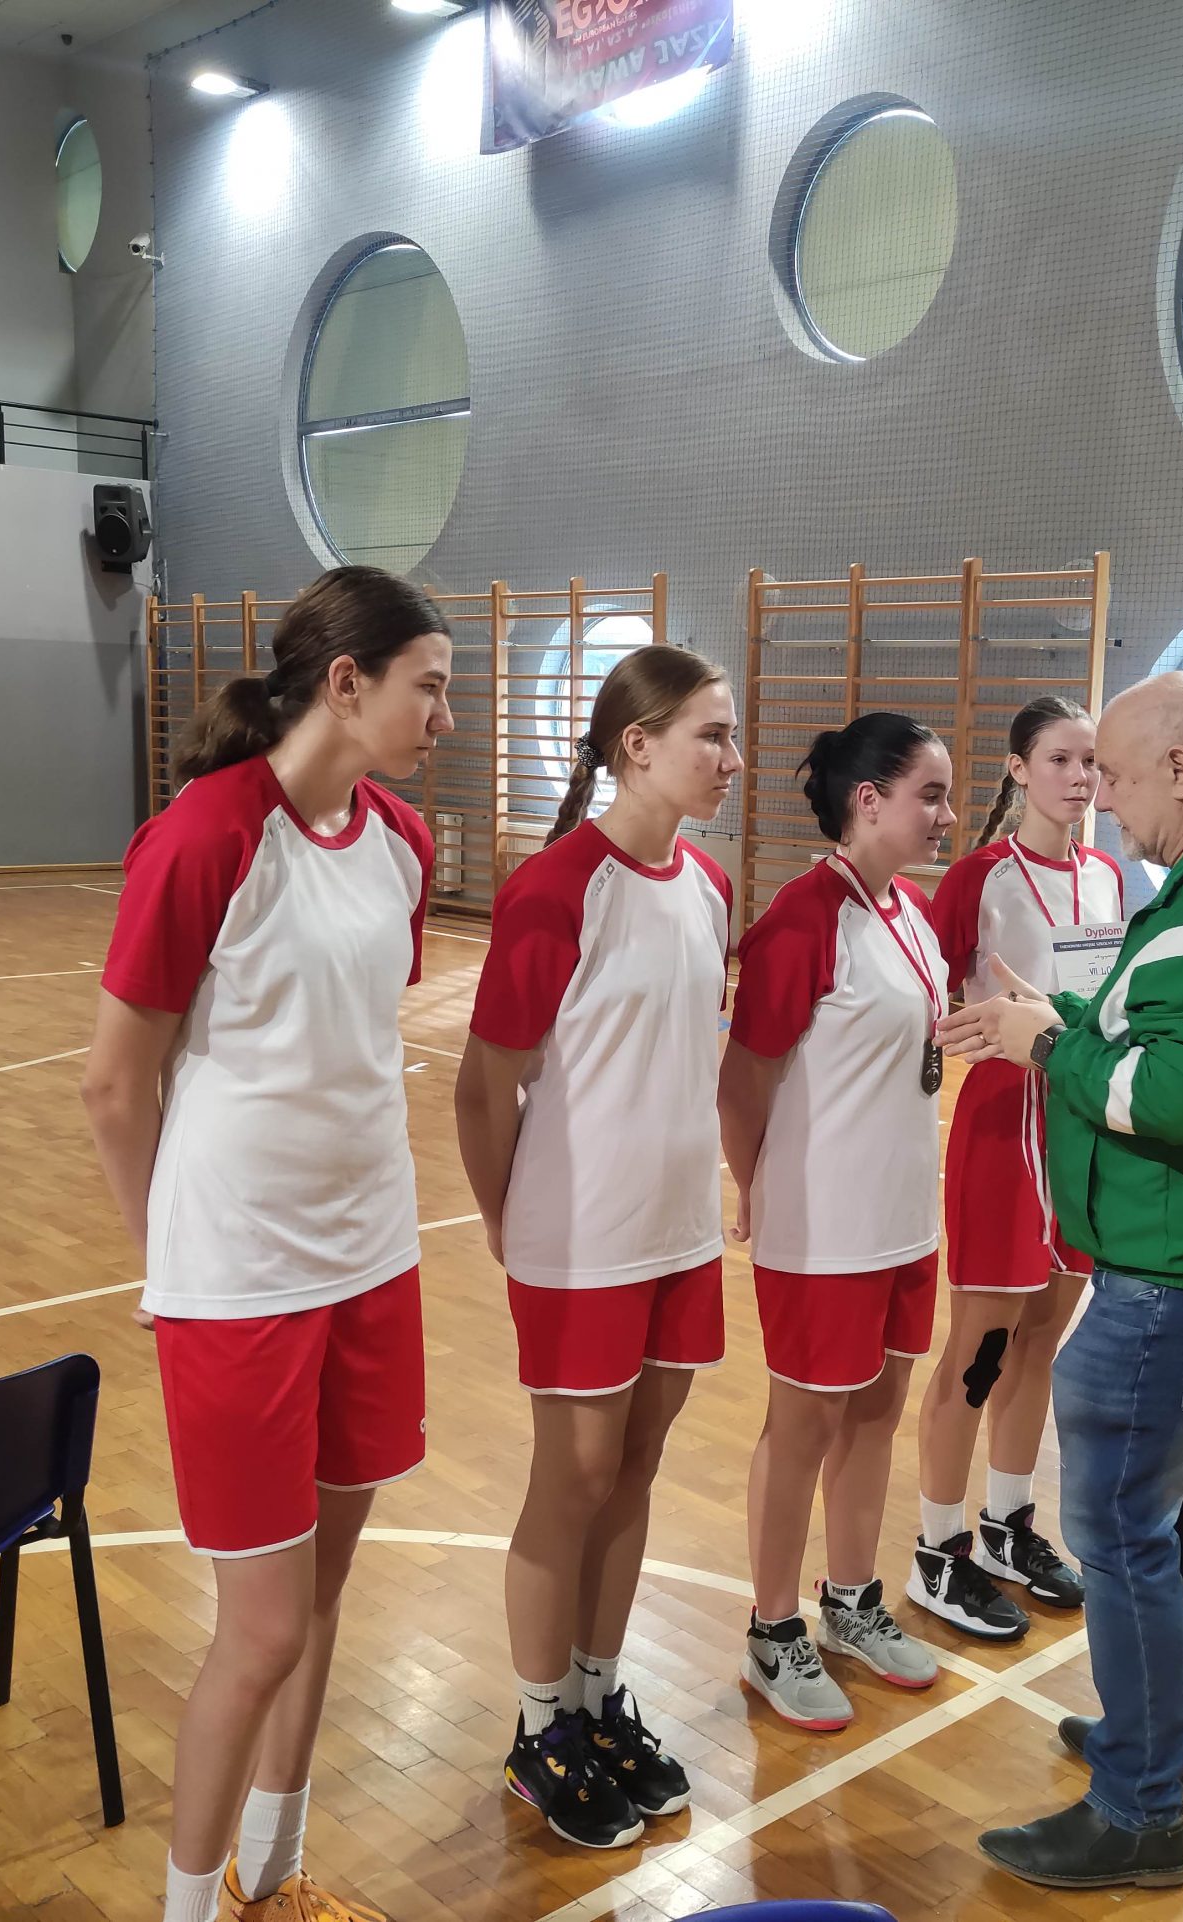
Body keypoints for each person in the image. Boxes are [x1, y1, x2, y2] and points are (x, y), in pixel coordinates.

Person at [80, 566, 454, 1922]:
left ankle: (275, 1874)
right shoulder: (205, 834)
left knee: (325, 1591)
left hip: (374, 1259)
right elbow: (114, 1084)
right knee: (262, 1630)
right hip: (239, 1279)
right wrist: (165, 1261)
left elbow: (346, 1041)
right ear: (345, 683)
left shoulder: (402, 839)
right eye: (429, 686)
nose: (445, 715)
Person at [942, 674, 1183, 1890]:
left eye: (1110, 772)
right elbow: (1161, 1026)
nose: (1101, 797)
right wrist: (1062, 1008)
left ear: (1178, 769)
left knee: (1119, 1527)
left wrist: (1051, 1043)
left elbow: (1167, 1096)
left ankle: (1138, 1806)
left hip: (1179, 1270)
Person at [455, 647, 740, 1849]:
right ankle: (538, 1729)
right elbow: (484, 1085)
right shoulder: (554, 887)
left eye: (732, 735)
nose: (731, 758)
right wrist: (506, 1219)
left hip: (678, 1231)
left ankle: (595, 1695)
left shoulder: (710, 883)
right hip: (580, 1237)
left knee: (635, 1465)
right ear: (637, 744)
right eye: (711, 735)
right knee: (570, 1476)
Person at [722, 712, 955, 1732]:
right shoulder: (801, 919)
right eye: (930, 795)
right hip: (823, 1226)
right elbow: (742, 1083)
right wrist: (759, 1188)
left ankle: (851, 1601)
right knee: (803, 1424)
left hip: (904, 1217)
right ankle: (774, 1628)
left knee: (874, 1413)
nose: (947, 815)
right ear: (869, 800)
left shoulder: (910, 910)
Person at [911, 695, 1120, 1640]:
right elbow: (924, 1000)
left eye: (1092, 762)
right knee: (980, 1349)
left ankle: (1006, 1523)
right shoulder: (978, 878)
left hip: (1081, 1121)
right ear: (1018, 769)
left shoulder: (1110, 876)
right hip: (1003, 1127)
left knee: (1042, 1340)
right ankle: (937, 1549)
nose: (1080, 778)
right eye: (1061, 760)